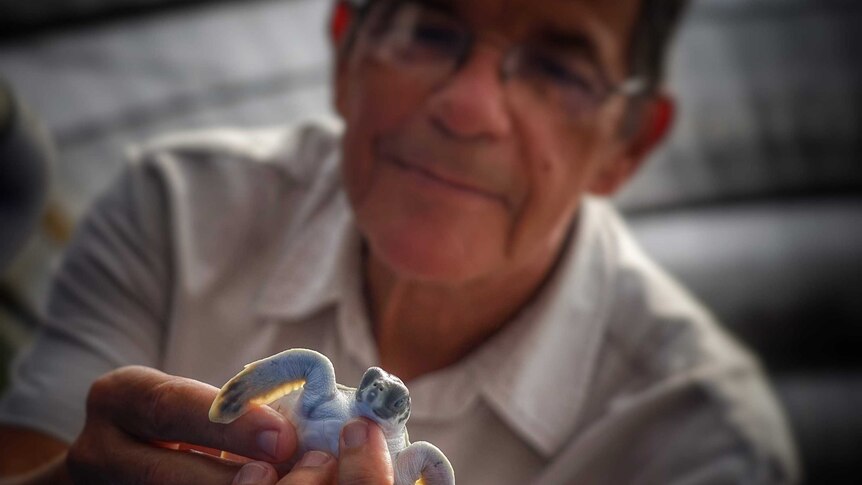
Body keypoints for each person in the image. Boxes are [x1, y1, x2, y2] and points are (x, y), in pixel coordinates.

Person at [0, 0, 799, 483]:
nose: (469, 107)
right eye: (426, 24)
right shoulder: (176, 212)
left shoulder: (697, 444)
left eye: (558, 69)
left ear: (627, 144)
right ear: (345, 49)